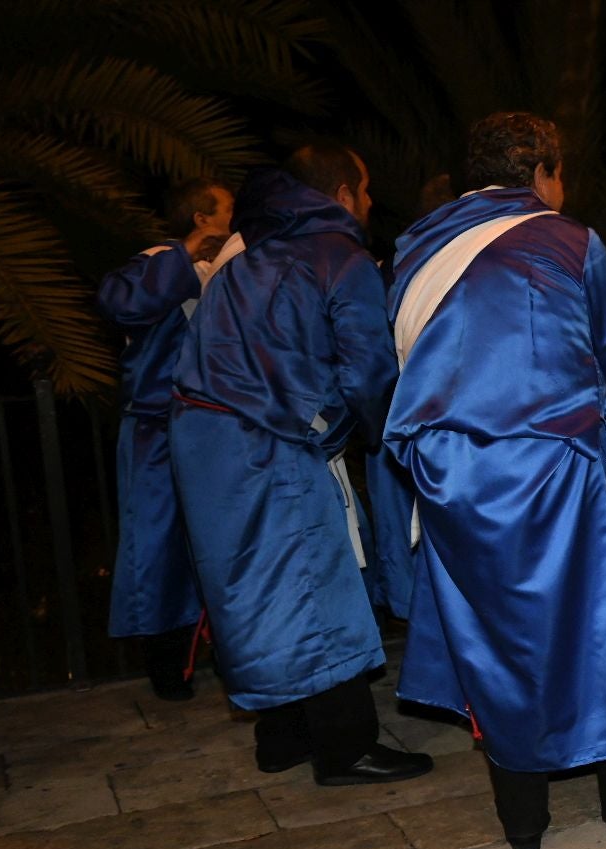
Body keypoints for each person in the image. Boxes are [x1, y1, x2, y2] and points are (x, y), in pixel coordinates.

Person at [385, 111, 606, 849]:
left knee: (495, 636)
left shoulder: (413, 247)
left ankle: (523, 819)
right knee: (604, 625)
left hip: (452, 473)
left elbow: (393, 366)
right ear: (545, 172)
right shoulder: (571, 241)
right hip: (559, 469)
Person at [172, 144, 432, 787]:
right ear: (342, 193)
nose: (370, 203)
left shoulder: (246, 257)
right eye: (365, 189)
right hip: (266, 439)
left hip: (203, 441)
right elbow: (368, 370)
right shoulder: (338, 257)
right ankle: (346, 748)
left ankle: (281, 736)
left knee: (253, 591)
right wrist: (372, 436)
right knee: (316, 582)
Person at [97, 178, 232, 700]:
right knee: (156, 550)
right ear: (201, 219)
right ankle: (167, 668)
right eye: (227, 210)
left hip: (207, 429)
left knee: (218, 544)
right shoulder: (154, 261)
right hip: (156, 430)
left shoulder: (227, 265)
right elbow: (119, 302)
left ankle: (223, 655)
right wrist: (186, 254)